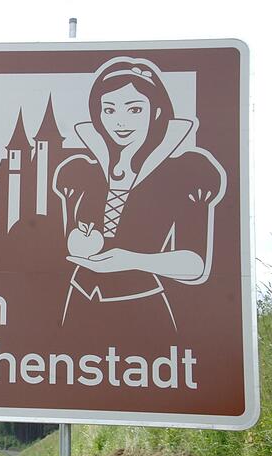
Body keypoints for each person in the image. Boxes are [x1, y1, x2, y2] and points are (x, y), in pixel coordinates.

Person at [52, 57, 225, 336]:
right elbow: (67, 244)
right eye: (108, 110)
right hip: (79, 301)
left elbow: (195, 263)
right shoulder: (80, 172)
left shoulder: (184, 172)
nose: (120, 121)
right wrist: (80, 244)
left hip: (141, 308)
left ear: (156, 112)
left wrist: (131, 260)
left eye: (134, 109)